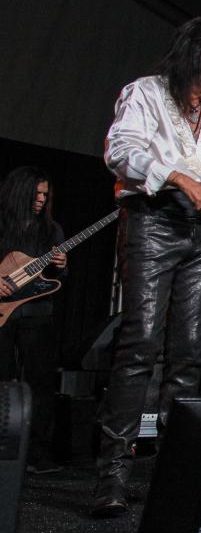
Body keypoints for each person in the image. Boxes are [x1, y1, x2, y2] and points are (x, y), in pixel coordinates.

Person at [94, 17, 201, 516]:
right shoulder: (144, 93)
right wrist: (180, 178)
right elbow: (120, 152)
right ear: (198, 52)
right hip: (152, 221)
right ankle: (111, 476)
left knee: (187, 351)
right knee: (140, 342)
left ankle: (174, 469)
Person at [0, 166, 67, 474]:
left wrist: (60, 265)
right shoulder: (2, 225)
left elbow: (56, 278)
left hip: (38, 313)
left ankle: (37, 454)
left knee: (40, 382)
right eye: (36, 193)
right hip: (3, 315)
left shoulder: (51, 231)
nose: (41, 199)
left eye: (45, 194)